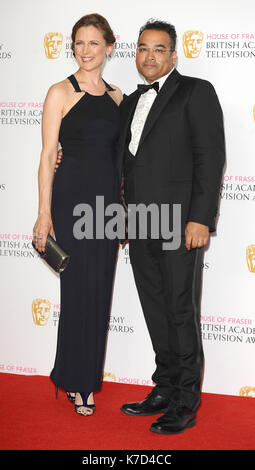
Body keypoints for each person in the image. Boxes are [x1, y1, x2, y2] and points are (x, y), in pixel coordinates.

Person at [116, 20, 225, 434]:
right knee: (155, 309)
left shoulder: (196, 92)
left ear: (173, 55)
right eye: (143, 48)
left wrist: (201, 218)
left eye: (159, 49)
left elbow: (210, 157)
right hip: (139, 223)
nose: (150, 56)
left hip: (180, 223)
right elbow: (123, 164)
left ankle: (184, 401)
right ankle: (163, 388)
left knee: (180, 311)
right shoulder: (129, 102)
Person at [33, 13, 123, 416]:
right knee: (77, 292)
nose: (85, 51)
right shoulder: (59, 92)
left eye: (93, 43)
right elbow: (48, 155)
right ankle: (76, 382)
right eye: (78, 43)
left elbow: (124, 159)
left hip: (108, 206)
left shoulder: (120, 97)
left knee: (100, 291)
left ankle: (81, 376)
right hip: (72, 204)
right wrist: (43, 214)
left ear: (109, 46)